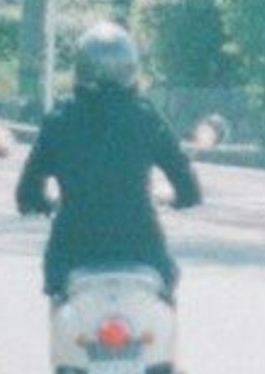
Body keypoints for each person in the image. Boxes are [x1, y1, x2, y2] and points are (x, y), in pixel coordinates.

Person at [14, 24, 201, 298]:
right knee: (163, 293)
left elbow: (27, 193)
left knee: (61, 297)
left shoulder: (60, 121)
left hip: (73, 254)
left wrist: (43, 204)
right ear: (131, 69)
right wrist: (178, 199)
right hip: (141, 251)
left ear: (80, 69)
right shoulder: (145, 118)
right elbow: (188, 188)